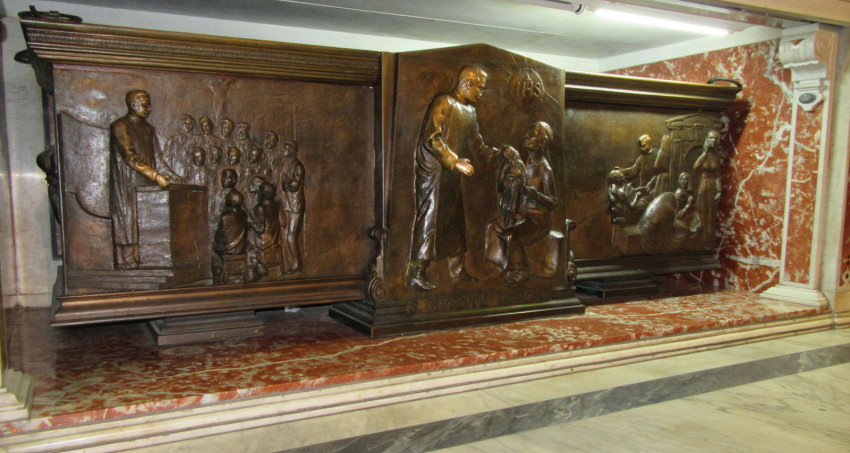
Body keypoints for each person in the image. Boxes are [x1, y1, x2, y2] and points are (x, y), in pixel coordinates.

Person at [407, 65, 499, 291]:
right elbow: (431, 137)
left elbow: (478, 146)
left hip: (451, 173)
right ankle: (416, 272)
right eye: (480, 88)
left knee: (454, 221)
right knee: (430, 219)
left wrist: (501, 154)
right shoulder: (444, 102)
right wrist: (454, 160)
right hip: (434, 172)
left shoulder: (470, 112)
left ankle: (458, 270)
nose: (481, 93)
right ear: (468, 83)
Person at [108, 89, 180, 269]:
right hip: (128, 181)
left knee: (146, 220)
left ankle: (148, 257)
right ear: (133, 105)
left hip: (147, 183)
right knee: (128, 220)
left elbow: (157, 157)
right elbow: (130, 156)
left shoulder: (148, 129)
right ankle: (126, 259)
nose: (149, 108)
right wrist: (155, 175)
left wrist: (172, 176)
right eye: (144, 105)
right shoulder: (120, 126)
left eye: (149, 105)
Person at [499, 121, 557, 283]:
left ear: (542, 142)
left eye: (533, 135)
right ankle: (499, 267)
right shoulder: (527, 163)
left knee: (513, 235)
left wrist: (536, 195)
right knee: (494, 226)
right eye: (528, 133)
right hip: (524, 214)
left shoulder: (545, 170)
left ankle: (521, 269)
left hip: (539, 220)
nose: (527, 137)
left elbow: (554, 202)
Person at [279, 139, 305, 273]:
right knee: (285, 235)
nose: (284, 150)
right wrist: (285, 183)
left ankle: (296, 264)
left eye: (286, 148)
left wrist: (286, 182)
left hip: (295, 206)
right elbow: (285, 185)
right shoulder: (286, 164)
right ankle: (290, 262)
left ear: (293, 150)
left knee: (291, 236)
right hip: (288, 205)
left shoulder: (298, 167)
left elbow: (294, 185)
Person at [693, 130, 722, 247]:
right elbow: (695, 167)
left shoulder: (717, 156)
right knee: (701, 209)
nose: (713, 140)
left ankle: (708, 240)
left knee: (711, 212)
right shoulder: (704, 155)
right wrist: (704, 153)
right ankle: (699, 237)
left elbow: (718, 175)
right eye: (711, 138)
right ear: (707, 140)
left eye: (715, 138)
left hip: (713, 184)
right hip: (703, 183)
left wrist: (719, 191)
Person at [497, 146, 526, 229]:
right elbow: (502, 173)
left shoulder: (519, 163)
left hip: (516, 185)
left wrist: (524, 184)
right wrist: (502, 181)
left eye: (507, 152)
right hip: (507, 184)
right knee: (506, 201)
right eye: (505, 154)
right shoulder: (506, 163)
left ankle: (512, 217)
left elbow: (524, 174)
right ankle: (505, 217)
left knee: (514, 202)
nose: (506, 155)